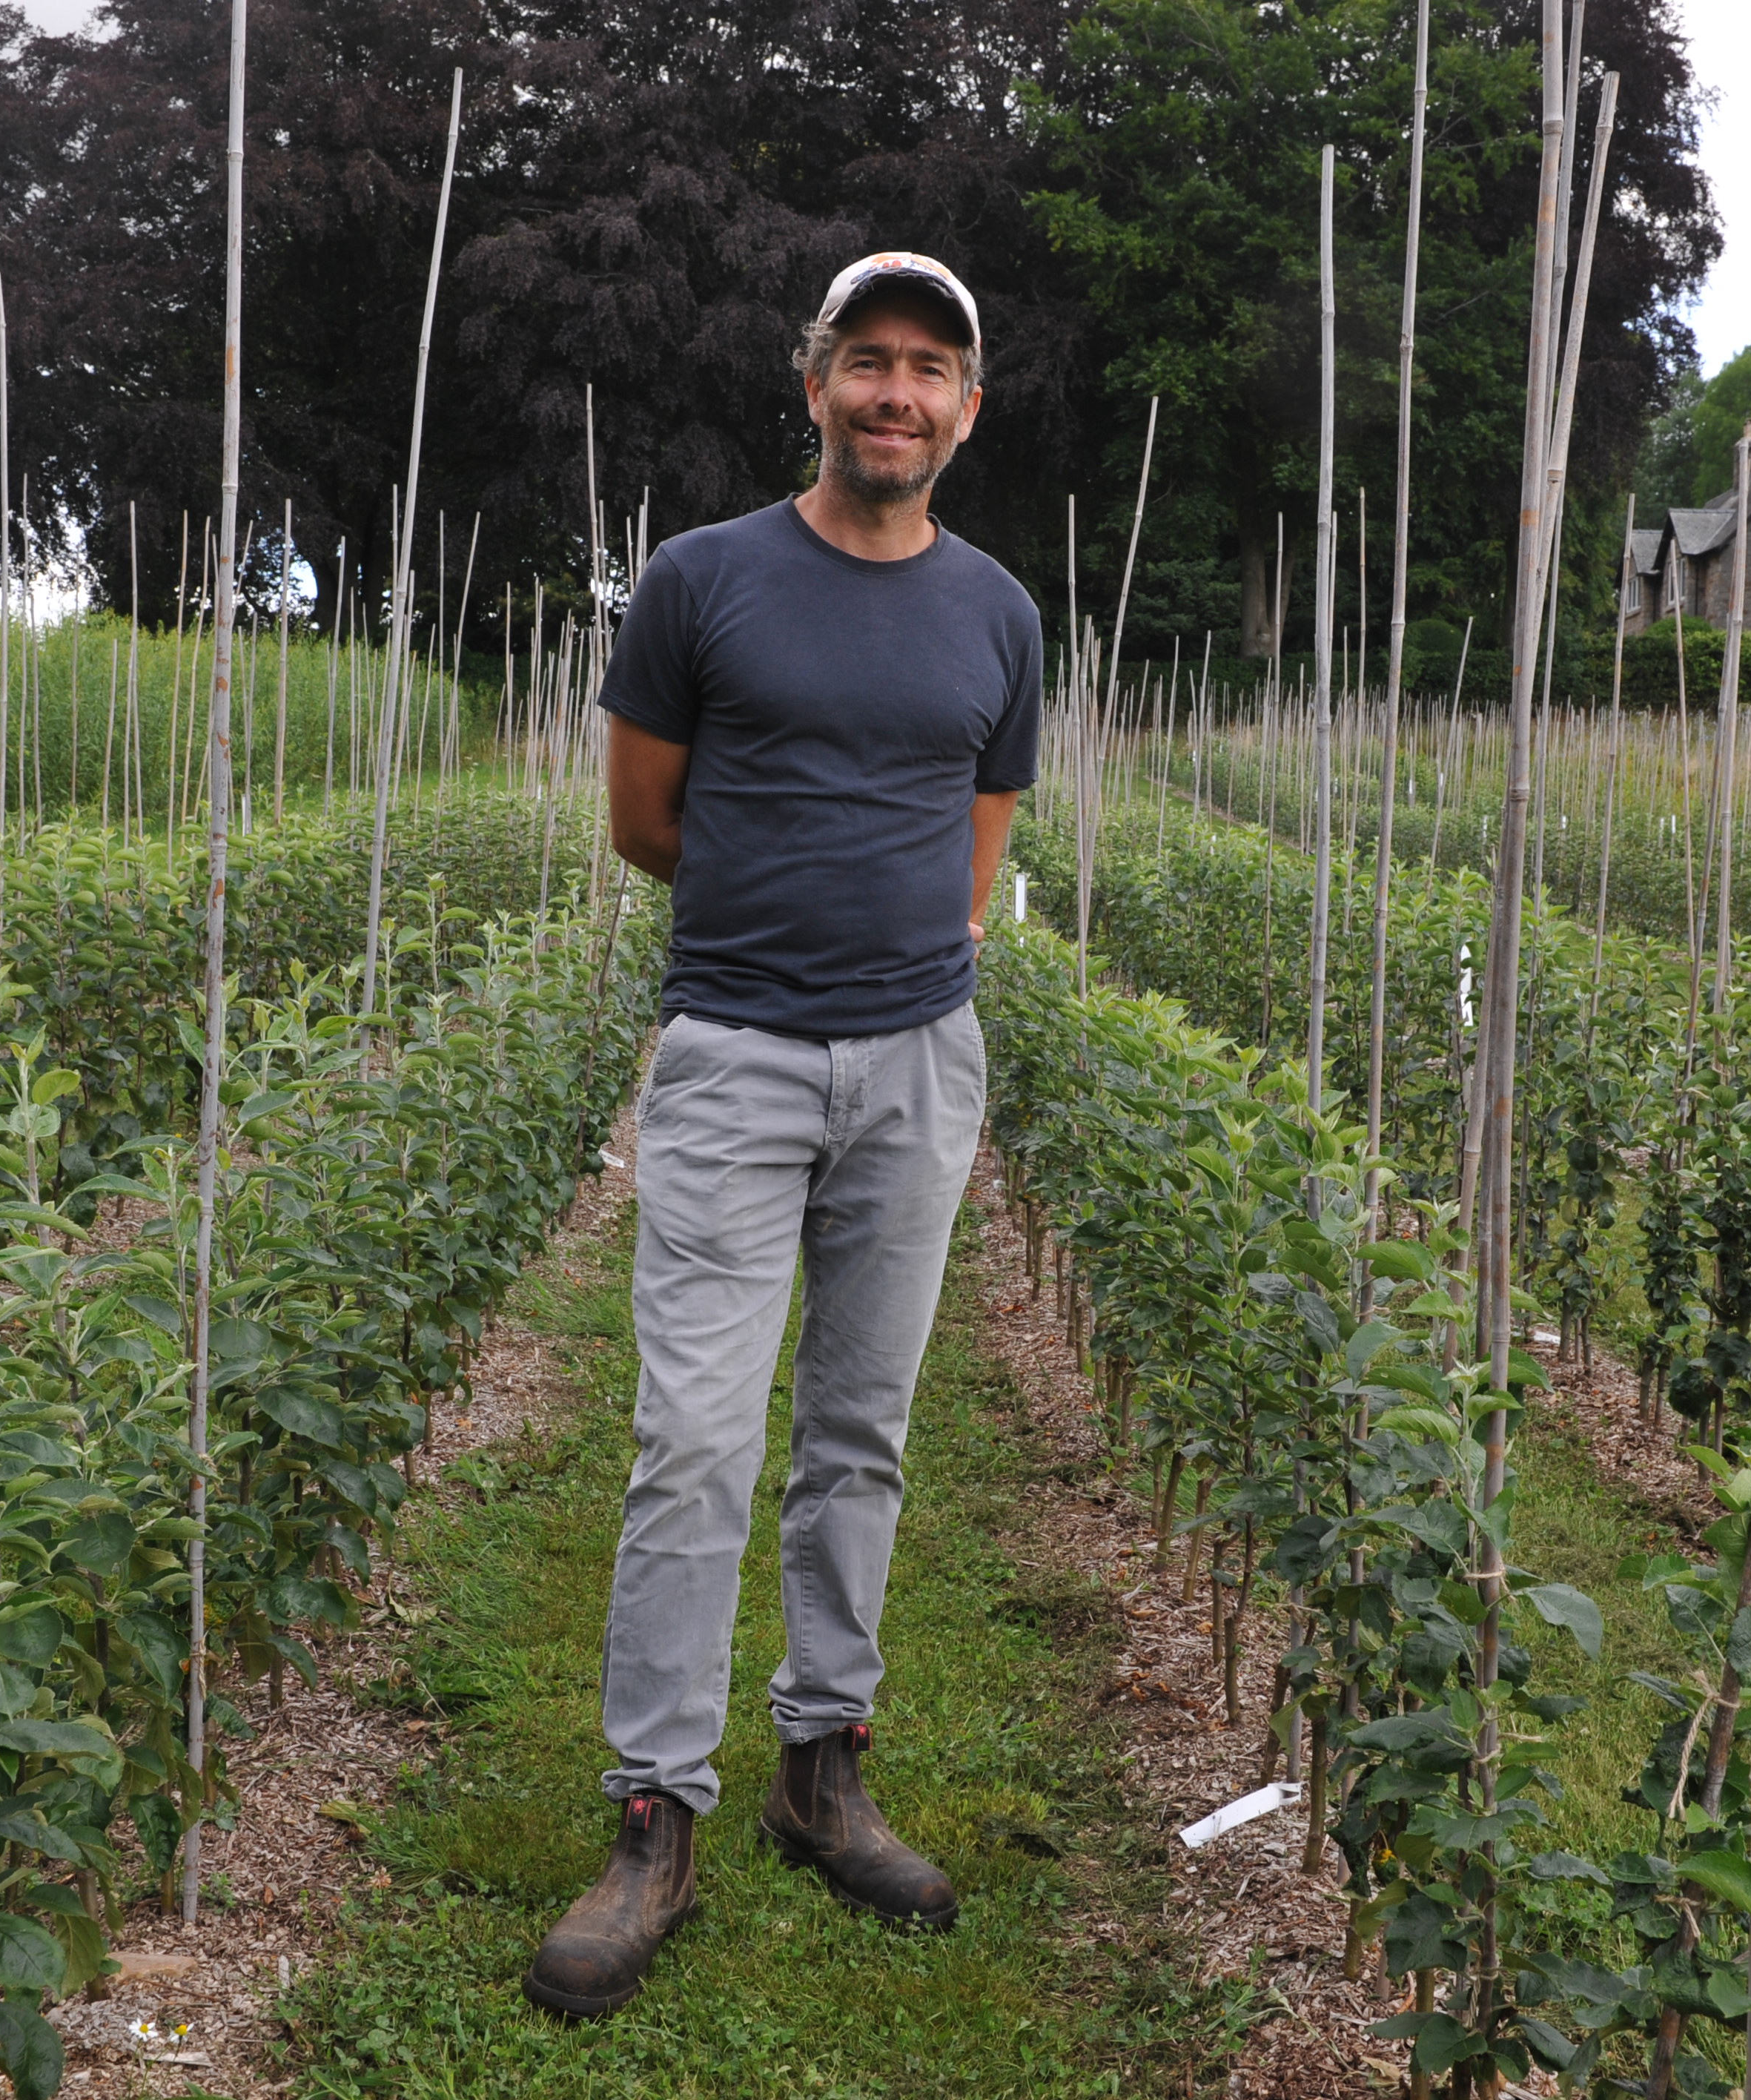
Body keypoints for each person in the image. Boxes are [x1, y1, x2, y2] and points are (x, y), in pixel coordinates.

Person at [520, 252, 1042, 2019]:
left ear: (969, 409)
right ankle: (654, 1812)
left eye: (930, 372)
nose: (896, 396)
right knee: (691, 1440)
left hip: (916, 1063)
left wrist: (905, 963)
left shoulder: (997, 611)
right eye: (868, 363)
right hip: (738, 1057)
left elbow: (981, 824)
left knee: (859, 1434)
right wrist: (782, 932)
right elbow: (646, 820)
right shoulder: (704, 581)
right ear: (814, 383)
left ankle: (824, 1766)